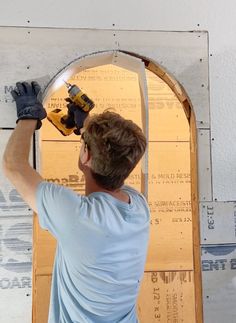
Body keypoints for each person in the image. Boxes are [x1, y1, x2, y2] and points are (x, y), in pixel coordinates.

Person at [3, 81, 150, 323]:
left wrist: (29, 116)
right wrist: (86, 127)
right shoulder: (138, 207)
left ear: (85, 155)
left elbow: (13, 165)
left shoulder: (77, 216)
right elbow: (114, 162)